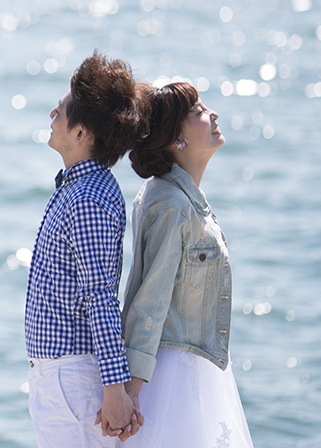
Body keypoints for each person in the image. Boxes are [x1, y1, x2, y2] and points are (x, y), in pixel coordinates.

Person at [116, 81, 254, 446]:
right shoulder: (171, 203)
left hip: (192, 363)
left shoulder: (175, 195)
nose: (213, 114)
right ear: (176, 139)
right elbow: (151, 300)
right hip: (174, 373)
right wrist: (131, 392)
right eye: (198, 112)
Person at [25, 52, 145, 445]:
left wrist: (114, 391)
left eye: (59, 112)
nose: (51, 115)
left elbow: (100, 296)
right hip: (63, 377)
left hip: (73, 380)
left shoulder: (88, 198)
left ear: (81, 134)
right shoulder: (81, 187)